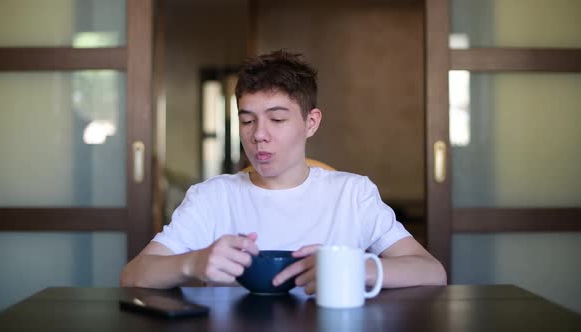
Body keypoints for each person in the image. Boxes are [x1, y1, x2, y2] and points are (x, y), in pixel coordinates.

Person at [120, 50, 446, 293]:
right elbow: (133, 274)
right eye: (247, 120)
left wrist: (358, 269)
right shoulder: (212, 197)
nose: (259, 134)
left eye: (277, 119)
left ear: (311, 123)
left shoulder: (353, 194)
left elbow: (432, 272)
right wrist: (192, 263)